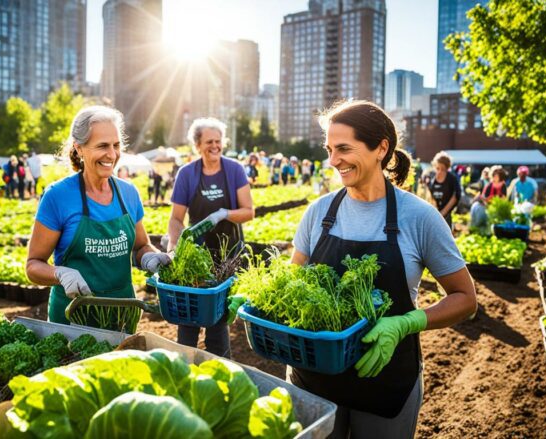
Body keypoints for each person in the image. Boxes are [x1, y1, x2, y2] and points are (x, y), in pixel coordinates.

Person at [289, 101, 477, 438]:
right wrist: (253, 299)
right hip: (312, 378)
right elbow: (291, 283)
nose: (333, 161)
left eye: (344, 148)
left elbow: (465, 298)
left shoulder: (419, 218)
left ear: (381, 148)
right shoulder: (318, 213)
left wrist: (408, 322)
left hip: (385, 382)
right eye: (330, 149)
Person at [26, 106, 170, 328]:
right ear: (79, 148)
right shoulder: (58, 196)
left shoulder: (128, 194)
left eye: (116, 145)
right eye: (102, 146)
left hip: (123, 316)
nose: (112, 155)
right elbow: (33, 265)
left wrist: (150, 256)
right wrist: (61, 274)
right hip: (73, 318)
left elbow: (141, 246)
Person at [167, 117, 255, 357]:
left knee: (218, 318)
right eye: (209, 141)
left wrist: (225, 214)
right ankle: (184, 365)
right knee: (189, 316)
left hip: (228, 255)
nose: (215, 146)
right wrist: (174, 247)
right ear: (197, 145)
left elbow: (249, 212)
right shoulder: (187, 174)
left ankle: (220, 368)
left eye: (218, 141)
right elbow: (176, 219)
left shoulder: (234, 169)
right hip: (197, 255)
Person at [426, 152, 461, 230]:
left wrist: (443, 213)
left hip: (446, 213)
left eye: (443, 169)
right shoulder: (432, 178)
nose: (440, 171)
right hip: (435, 212)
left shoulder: (452, 179)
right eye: (438, 168)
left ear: (447, 168)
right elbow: (430, 195)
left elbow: (456, 196)